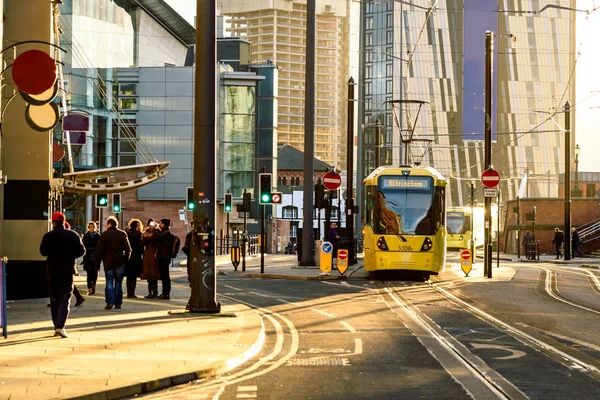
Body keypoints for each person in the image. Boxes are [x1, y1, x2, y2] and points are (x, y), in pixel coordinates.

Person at [40, 212, 86, 338]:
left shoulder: (48, 236)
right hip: (67, 270)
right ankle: (60, 326)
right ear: (63, 222)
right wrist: (70, 255)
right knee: (65, 298)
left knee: (54, 299)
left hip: (53, 271)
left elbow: (43, 252)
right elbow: (82, 251)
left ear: (53, 223)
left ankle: (56, 325)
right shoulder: (73, 235)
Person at [96, 216, 131, 310]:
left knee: (109, 282)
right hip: (120, 262)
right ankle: (118, 302)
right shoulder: (122, 234)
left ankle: (110, 302)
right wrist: (125, 260)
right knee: (119, 283)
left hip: (108, 262)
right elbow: (128, 249)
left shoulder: (104, 235)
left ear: (109, 224)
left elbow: (99, 251)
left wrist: (97, 264)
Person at [141, 218, 161, 298]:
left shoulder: (157, 232)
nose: (151, 226)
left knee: (154, 273)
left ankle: (155, 292)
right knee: (148, 273)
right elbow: (142, 244)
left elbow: (158, 241)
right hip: (147, 253)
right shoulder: (146, 232)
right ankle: (150, 292)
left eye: (152, 224)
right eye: (149, 224)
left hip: (154, 253)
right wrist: (145, 236)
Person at [156, 219, 176, 300]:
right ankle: (165, 293)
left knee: (165, 276)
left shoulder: (165, 233)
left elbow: (158, 238)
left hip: (164, 256)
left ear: (164, 224)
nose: (159, 225)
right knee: (164, 276)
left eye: (160, 223)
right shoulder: (166, 232)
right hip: (165, 256)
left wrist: (156, 229)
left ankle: (166, 293)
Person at [125, 219, 144, 298]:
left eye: (139, 225)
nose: (138, 227)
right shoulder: (129, 234)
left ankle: (132, 292)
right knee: (130, 276)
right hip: (131, 257)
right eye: (137, 225)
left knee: (133, 276)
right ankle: (130, 292)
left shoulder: (139, 234)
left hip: (135, 257)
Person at [82, 221, 100, 295]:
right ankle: (89, 287)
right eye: (91, 227)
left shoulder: (98, 236)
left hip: (95, 257)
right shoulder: (86, 236)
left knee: (95, 273)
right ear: (88, 228)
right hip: (88, 257)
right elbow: (83, 245)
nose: (92, 228)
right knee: (89, 273)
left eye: (93, 227)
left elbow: (100, 246)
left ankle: (93, 286)